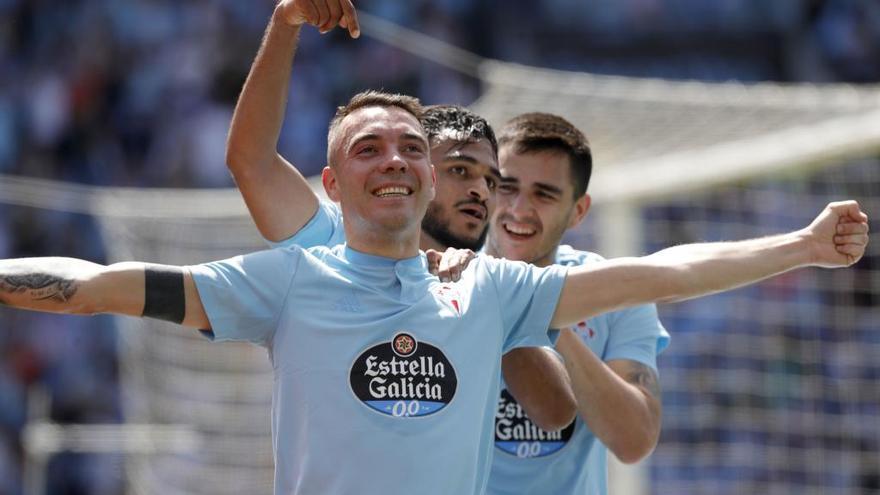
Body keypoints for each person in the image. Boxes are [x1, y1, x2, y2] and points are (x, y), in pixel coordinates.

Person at [0, 3, 870, 495]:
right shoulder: (290, 275)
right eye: (369, 148)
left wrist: (800, 244)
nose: (398, 159)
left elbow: (672, 271)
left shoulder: (493, 286)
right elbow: (100, 285)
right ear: (332, 185)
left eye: (413, 148)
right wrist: (286, 20)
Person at [225, 0, 575, 431]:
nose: (478, 192)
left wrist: (479, 295)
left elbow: (556, 412)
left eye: (490, 180)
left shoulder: (485, 278)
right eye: (459, 170)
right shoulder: (334, 241)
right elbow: (251, 161)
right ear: (424, 175)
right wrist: (284, 23)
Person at [485, 113, 667, 494]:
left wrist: (539, 309)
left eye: (544, 194)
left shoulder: (614, 292)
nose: (519, 208)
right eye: (507, 187)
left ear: (578, 211)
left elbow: (634, 441)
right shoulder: (445, 278)